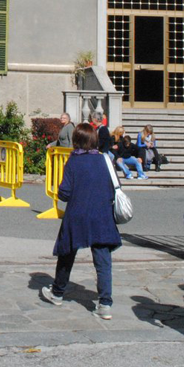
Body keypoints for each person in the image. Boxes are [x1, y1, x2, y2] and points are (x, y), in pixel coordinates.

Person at [41, 121, 122, 319]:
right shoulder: (105, 160)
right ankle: (105, 303)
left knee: (67, 252)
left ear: (76, 140)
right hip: (102, 214)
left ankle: (58, 292)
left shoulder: (74, 161)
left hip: (77, 214)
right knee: (103, 259)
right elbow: (116, 186)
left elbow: (64, 193)